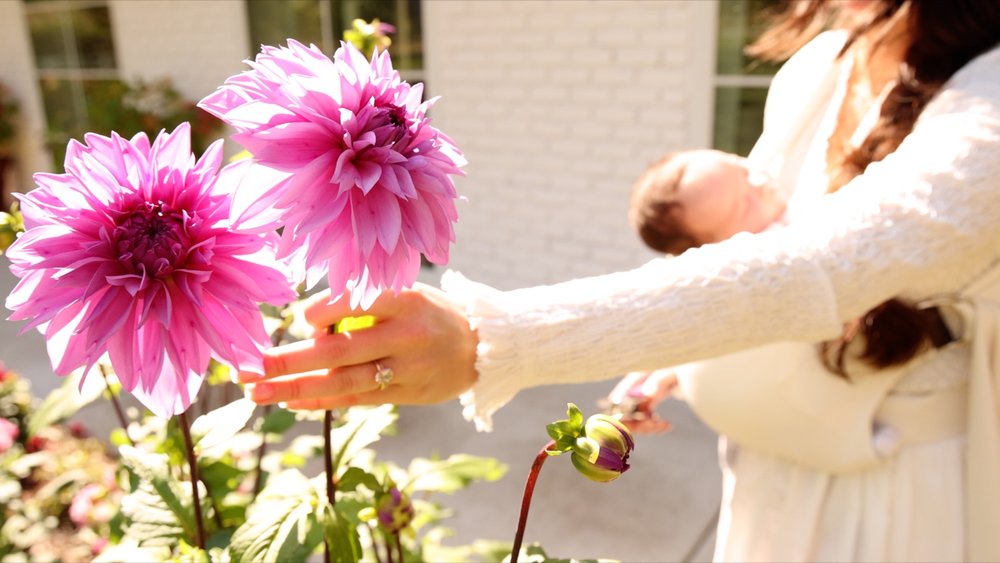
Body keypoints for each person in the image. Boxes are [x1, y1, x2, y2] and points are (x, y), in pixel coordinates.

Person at [242, 1, 1000, 561]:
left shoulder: (988, 100)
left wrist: (492, 338)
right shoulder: (821, 63)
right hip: (768, 467)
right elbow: (748, 239)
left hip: (892, 481)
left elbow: (817, 265)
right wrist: (666, 354)